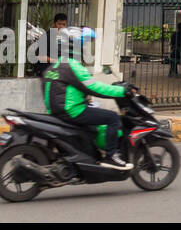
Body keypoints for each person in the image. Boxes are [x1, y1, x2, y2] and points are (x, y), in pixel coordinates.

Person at [42, 27, 133, 169]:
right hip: (72, 111)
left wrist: (85, 99)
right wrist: (122, 91)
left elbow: (65, 89)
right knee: (112, 118)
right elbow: (94, 87)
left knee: (95, 116)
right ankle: (111, 156)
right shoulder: (72, 66)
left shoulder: (55, 66)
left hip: (56, 111)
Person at [29, 12, 69, 78]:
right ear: (54, 24)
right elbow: (40, 56)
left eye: (63, 24)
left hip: (56, 69)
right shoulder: (47, 36)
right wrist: (55, 61)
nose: (61, 27)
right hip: (45, 69)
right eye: (59, 24)